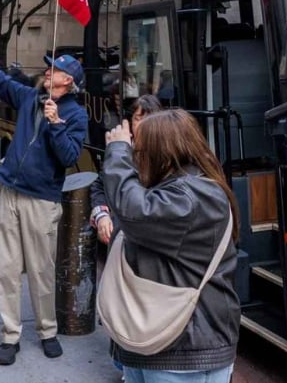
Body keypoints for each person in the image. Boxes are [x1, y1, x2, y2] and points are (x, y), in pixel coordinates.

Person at [0, 27, 89, 365]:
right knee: (6, 270)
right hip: (10, 192)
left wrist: (56, 124)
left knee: (41, 270)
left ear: (68, 82)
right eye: (49, 67)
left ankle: (47, 331)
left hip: (42, 201)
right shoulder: (28, 98)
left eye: (54, 70)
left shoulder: (76, 115)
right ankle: (10, 336)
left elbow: (68, 158)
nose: (47, 72)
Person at [102, 109, 240, 382]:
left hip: (184, 347)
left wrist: (118, 152)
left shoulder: (194, 196)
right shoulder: (174, 189)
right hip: (160, 341)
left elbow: (133, 211)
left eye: (139, 153)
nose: (136, 159)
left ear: (162, 153)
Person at [89, 95, 164, 245]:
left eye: (148, 119)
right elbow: (100, 185)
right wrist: (102, 215)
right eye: (138, 118)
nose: (142, 124)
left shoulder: (164, 153)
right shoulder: (124, 148)